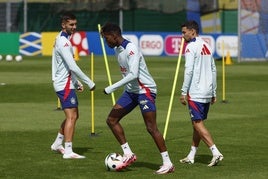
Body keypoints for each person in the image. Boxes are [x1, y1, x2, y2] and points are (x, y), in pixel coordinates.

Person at [100, 22, 175, 174]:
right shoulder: (117, 49)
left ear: (114, 36)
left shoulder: (131, 49)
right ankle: (128, 153)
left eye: (107, 38)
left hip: (145, 90)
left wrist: (111, 87)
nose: (106, 41)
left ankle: (168, 163)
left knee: (151, 127)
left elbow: (133, 74)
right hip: (131, 91)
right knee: (111, 120)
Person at [50, 12, 95, 159]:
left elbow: (68, 66)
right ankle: (68, 151)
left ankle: (57, 143)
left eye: (75, 24)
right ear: (63, 25)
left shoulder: (63, 39)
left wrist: (76, 82)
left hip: (66, 83)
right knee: (71, 117)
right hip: (64, 84)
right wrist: (89, 82)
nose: (74, 27)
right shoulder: (63, 42)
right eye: (71, 24)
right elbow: (73, 66)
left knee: (74, 115)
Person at [179, 20, 223, 167]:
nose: (182, 35)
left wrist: (184, 91)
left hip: (196, 91)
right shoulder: (206, 45)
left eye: (184, 32)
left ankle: (215, 152)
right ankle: (191, 155)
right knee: (196, 124)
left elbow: (189, 70)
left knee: (197, 123)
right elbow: (213, 69)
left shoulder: (191, 47)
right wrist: (214, 91)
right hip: (207, 90)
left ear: (193, 31)